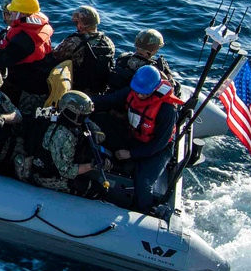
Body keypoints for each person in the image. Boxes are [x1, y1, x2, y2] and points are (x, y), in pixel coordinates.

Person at [93, 65, 185, 214]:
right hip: (135, 136)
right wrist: (87, 103)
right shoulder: (133, 92)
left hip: (157, 148)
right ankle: (130, 163)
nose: (139, 95)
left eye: (143, 93)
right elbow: (108, 100)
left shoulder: (167, 110)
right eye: (137, 91)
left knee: (144, 182)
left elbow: (159, 144)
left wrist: (131, 154)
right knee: (100, 118)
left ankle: (144, 211)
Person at [0, 0, 54, 115]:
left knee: (23, 118)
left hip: (30, 86)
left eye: (12, 12)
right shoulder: (36, 27)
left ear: (21, 13)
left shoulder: (24, 39)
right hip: (39, 72)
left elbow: (2, 60)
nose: (10, 14)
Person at [35, 91, 113, 195]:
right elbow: (67, 171)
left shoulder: (67, 118)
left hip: (67, 159)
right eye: (82, 116)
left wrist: (96, 133)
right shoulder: (63, 136)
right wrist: (92, 165)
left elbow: (88, 123)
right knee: (93, 189)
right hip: (48, 174)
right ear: (72, 113)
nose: (84, 118)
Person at [46, 5, 115, 95]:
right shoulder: (108, 43)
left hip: (78, 88)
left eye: (76, 23)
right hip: (100, 88)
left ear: (80, 24)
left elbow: (56, 56)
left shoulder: (75, 41)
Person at [108, 28, 180, 93]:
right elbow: (169, 90)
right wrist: (168, 75)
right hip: (134, 100)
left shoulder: (123, 57)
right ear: (155, 50)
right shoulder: (152, 69)